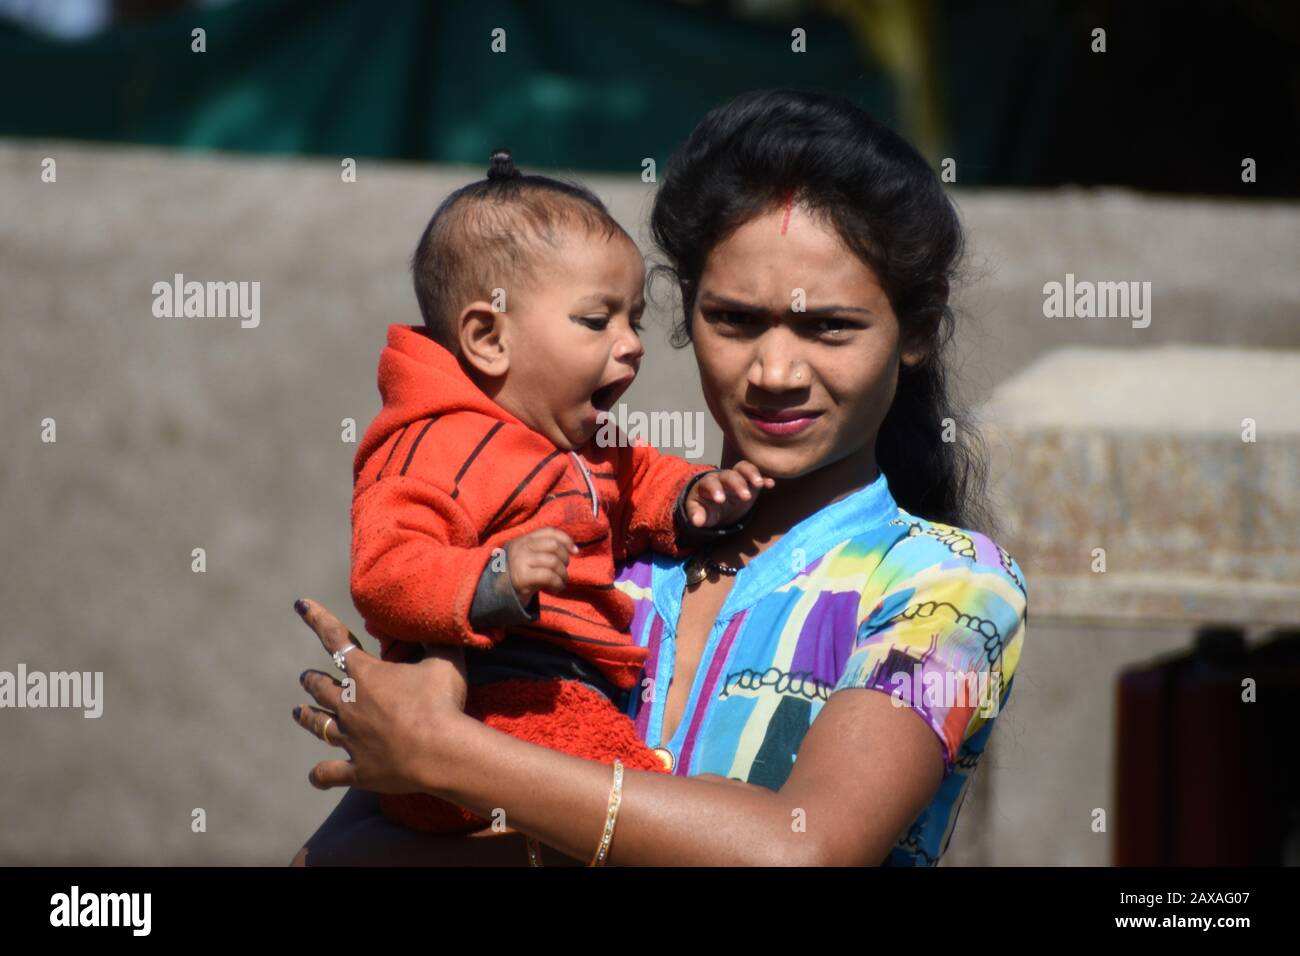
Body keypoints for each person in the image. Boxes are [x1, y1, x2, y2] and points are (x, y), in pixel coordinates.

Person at [290, 88, 1029, 866]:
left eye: (828, 327)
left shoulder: (949, 588)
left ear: (914, 331)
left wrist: (444, 753)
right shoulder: (588, 544)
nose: (775, 371)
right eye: (736, 320)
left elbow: (802, 853)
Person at [349, 149, 769, 833]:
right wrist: (492, 576)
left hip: (560, 697)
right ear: (488, 337)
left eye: (633, 320)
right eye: (597, 321)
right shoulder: (437, 441)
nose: (631, 344)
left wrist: (695, 498)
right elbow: (383, 568)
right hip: (495, 695)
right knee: (645, 810)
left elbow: (638, 479)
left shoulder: (574, 442)